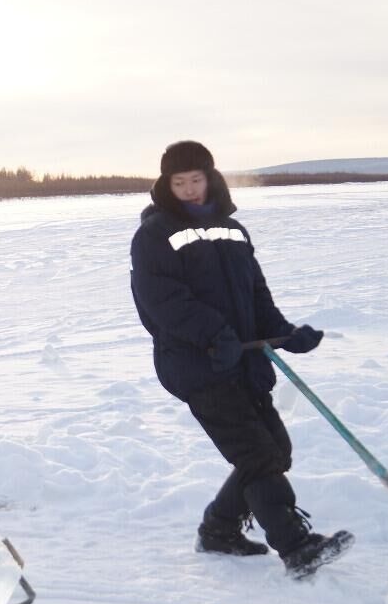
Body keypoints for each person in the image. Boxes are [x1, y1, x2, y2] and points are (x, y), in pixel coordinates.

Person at [129, 141, 353, 579]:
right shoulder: (154, 235)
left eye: (196, 180)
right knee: (256, 455)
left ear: (210, 178)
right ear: (166, 185)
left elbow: (255, 292)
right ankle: (295, 546)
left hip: (244, 360)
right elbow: (163, 303)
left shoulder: (233, 229)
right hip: (198, 364)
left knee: (275, 451)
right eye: (180, 183)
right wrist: (213, 334)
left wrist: (285, 333)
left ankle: (219, 529)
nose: (190, 190)